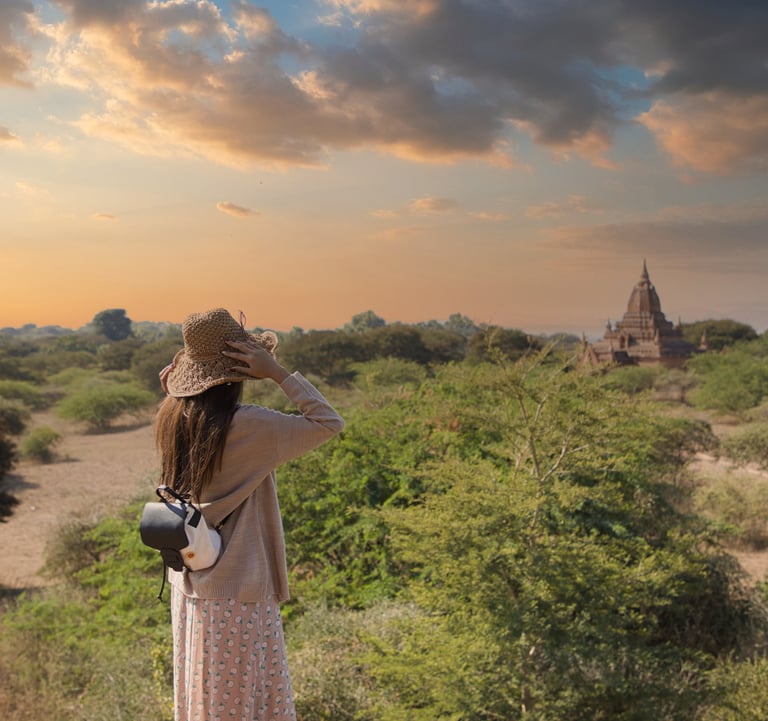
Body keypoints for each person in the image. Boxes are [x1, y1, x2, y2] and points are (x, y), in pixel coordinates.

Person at [155, 307, 344, 721]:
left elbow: (175, 395)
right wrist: (278, 373)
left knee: (204, 701)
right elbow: (328, 422)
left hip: (189, 582)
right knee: (243, 704)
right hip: (237, 591)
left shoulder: (173, 417)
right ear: (239, 371)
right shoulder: (251, 425)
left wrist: (174, 387)